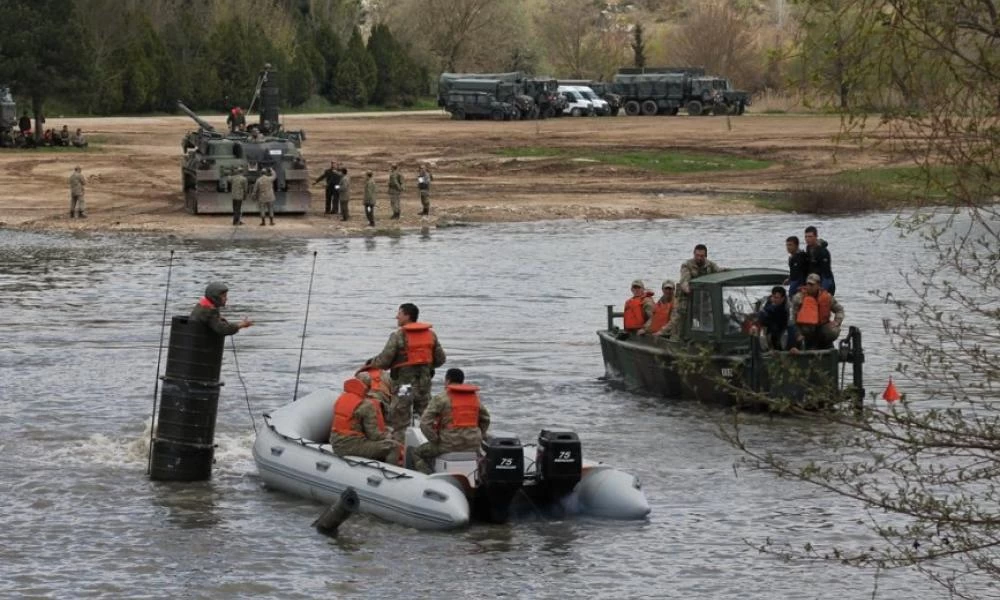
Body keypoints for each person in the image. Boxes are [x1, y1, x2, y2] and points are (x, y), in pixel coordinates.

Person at [367, 302, 446, 417]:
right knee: (425, 418)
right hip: (424, 386)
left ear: (407, 316)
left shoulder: (398, 336)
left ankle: (401, 433)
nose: (397, 316)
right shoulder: (430, 335)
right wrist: (426, 366)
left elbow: (384, 361)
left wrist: (371, 364)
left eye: (399, 313)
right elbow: (441, 359)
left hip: (405, 386)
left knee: (400, 418)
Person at [413, 368, 490, 474]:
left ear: (447, 381)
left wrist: (435, 440)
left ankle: (429, 477)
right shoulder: (474, 398)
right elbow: (486, 419)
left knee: (416, 453)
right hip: (473, 444)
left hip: (448, 444)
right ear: (462, 381)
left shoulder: (441, 398)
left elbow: (425, 423)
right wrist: (479, 434)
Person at [329, 373, 398, 464]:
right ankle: (391, 472)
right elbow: (374, 436)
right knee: (393, 447)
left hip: (335, 443)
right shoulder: (367, 405)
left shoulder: (342, 397)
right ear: (368, 387)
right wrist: (388, 434)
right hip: (350, 446)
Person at [666, 244, 726, 337]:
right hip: (686, 297)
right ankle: (675, 340)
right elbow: (684, 280)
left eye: (701, 256)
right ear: (694, 254)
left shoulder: (710, 265)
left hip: (703, 298)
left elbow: (719, 271)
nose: (699, 258)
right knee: (678, 319)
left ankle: (705, 339)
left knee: (708, 318)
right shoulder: (687, 265)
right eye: (697, 255)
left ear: (705, 256)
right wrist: (687, 289)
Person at [790, 273, 844, 350]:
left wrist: (837, 321)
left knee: (833, 330)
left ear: (818, 285)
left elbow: (839, 310)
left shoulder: (827, 297)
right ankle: (806, 344)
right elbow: (793, 318)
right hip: (805, 329)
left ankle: (825, 343)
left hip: (821, 327)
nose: (809, 287)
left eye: (812, 285)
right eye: (808, 284)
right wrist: (798, 333)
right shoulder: (799, 298)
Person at [189, 281, 254, 336]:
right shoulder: (209, 311)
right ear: (215, 297)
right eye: (224, 296)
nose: (226, 299)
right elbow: (223, 329)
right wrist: (241, 325)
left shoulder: (202, 306)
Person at [753, 286, 790, 350]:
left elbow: (790, 322)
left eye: (776, 298)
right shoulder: (769, 301)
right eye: (773, 297)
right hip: (771, 326)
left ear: (783, 298)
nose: (774, 299)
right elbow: (763, 313)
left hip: (783, 326)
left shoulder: (788, 306)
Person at [805, 226, 836, 295]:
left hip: (826, 282)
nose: (807, 239)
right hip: (813, 282)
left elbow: (826, 274)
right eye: (806, 237)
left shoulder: (823, 252)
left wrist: (823, 289)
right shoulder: (808, 248)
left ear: (816, 237)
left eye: (810, 236)